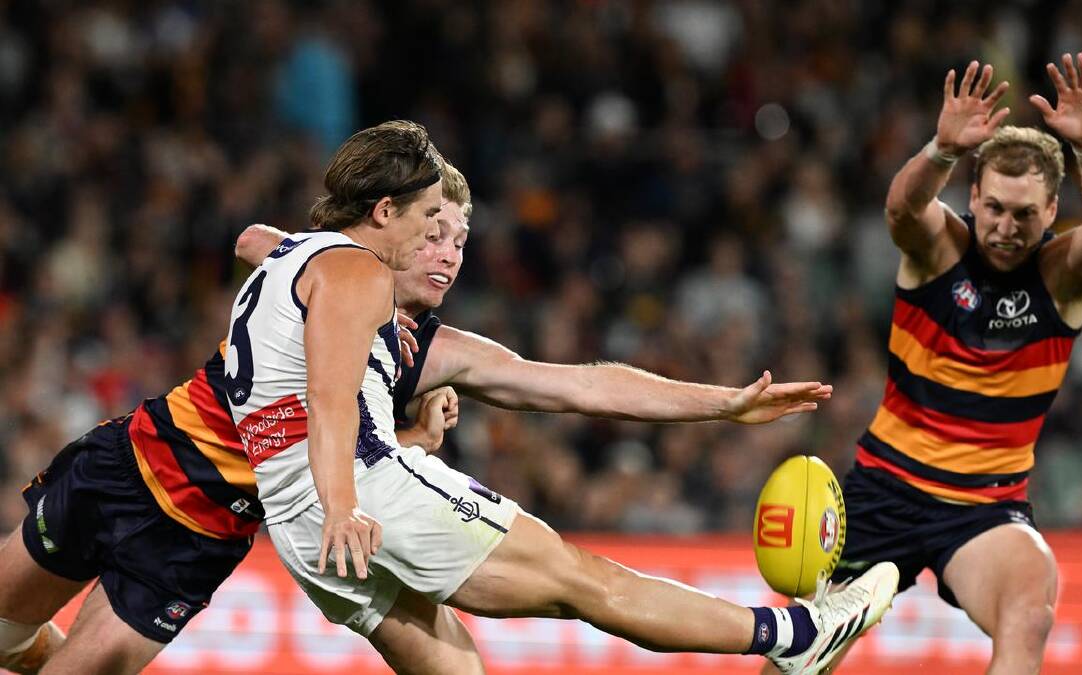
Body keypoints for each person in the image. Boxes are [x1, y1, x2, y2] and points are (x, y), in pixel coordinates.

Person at [233, 129, 897, 674]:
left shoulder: (344, 289)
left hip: (296, 526)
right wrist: (352, 495)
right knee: (585, 581)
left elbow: (580, 383)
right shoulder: (356, 276)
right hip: (357, 497)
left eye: (461, 240)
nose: (447, 254)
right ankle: (795, 630)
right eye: (431, 231)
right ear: (387, 215)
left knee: (456, 669)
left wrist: (722, 403)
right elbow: (327, 401)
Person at [0, 120, 439, 675]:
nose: (437, 243)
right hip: (133, 462)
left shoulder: (398, 323)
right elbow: (253, 246)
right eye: (429, 220)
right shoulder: (341, 276)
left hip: (195, 536)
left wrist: (413, 437)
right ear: (384, 212)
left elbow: (251, 241)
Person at [826, 53, 1082, 673]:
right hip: (883, 486)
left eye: (1025, 214)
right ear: (973, 196)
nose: (1005, 227)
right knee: (803, 651)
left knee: (1031, 614)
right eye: (994, 207)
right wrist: (940, 150)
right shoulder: (942, 246)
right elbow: (901, 211)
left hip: (984, 507)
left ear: (1052, 212)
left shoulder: (1061, 276)